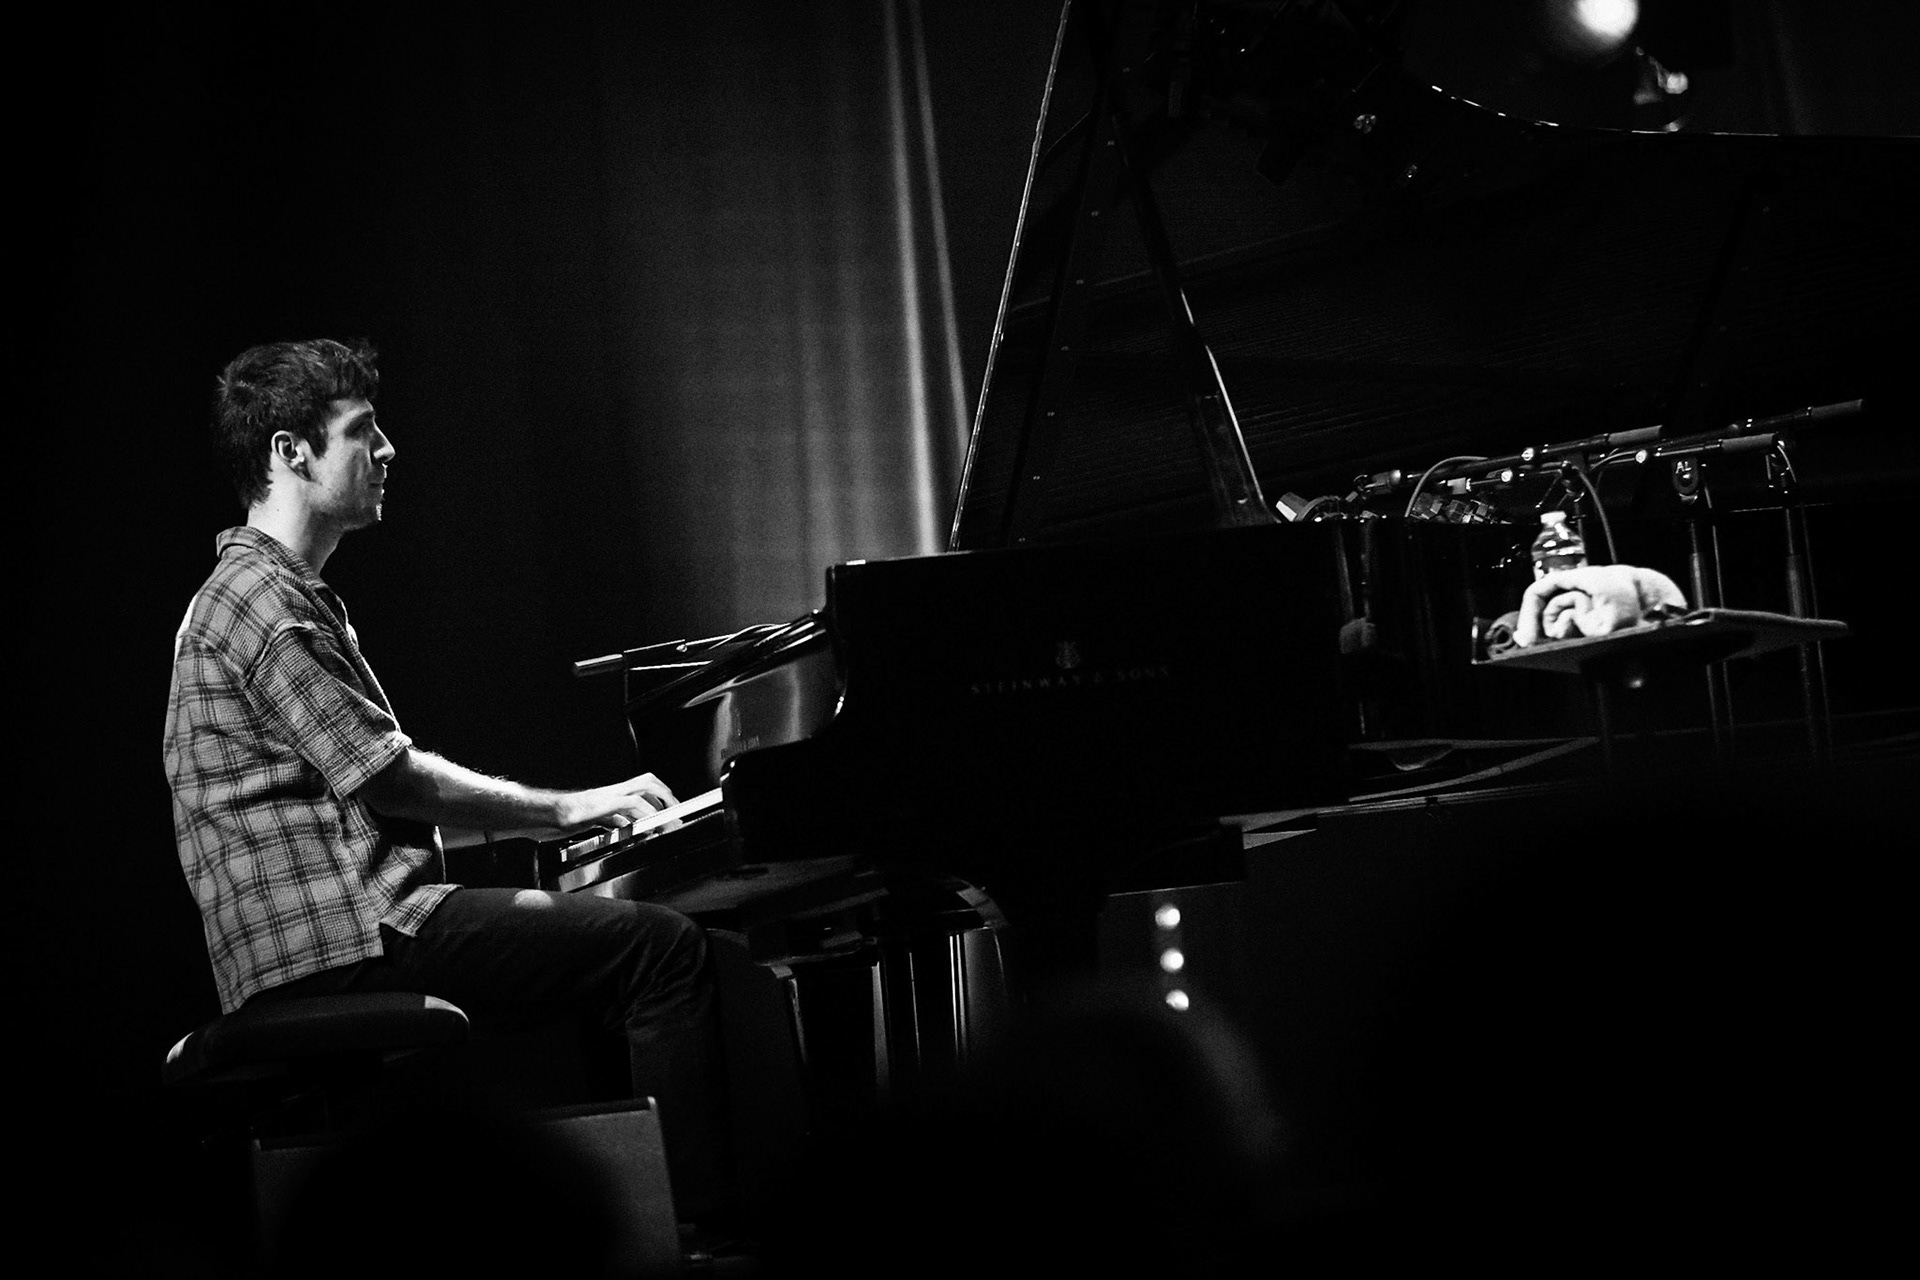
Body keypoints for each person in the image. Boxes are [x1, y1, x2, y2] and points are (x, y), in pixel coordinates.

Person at [163, 337, 730, 1221]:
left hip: (333, 931)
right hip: (345, 939)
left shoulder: (265, 591)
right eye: (363, 431)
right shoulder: (262, 600)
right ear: (291, 451)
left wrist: (552, 830)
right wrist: (569, 807)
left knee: (593, 957)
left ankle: (613, 1218)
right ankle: (695, 1234)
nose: (388, 450)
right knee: (659, 949)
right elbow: (393, 781)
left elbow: (356, 799)